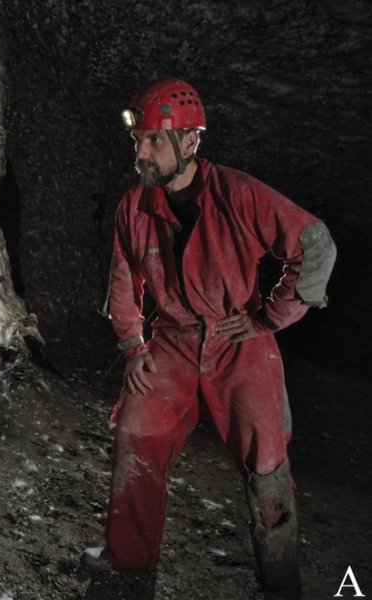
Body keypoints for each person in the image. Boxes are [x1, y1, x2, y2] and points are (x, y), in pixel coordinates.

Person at [84, 78, 337, 600]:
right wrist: (133, 347)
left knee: (268, 465)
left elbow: (313, 243)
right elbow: (123, 280)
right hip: (172, 342)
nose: (142, 152)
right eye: (139, 141)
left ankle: (282, 584)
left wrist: (271, 318)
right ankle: (126, 576)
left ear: (192, 142)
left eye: (155, 140)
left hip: (238, 341)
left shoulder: (238, 193)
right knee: (137, 433)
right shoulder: (135, 206)